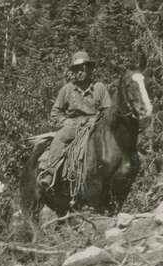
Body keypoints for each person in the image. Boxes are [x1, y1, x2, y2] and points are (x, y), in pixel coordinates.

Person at [39, 50, 112, 186]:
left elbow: (108, 110)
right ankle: (49, 171)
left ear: (89, 69)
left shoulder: (99, 88)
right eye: (76, 69)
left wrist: (99, 120)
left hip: (96, 125)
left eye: (83, 69)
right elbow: (55, 112)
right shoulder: (67, 90)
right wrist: (67, 121)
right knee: (61, 136)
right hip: (74, 126)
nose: (79, 72)